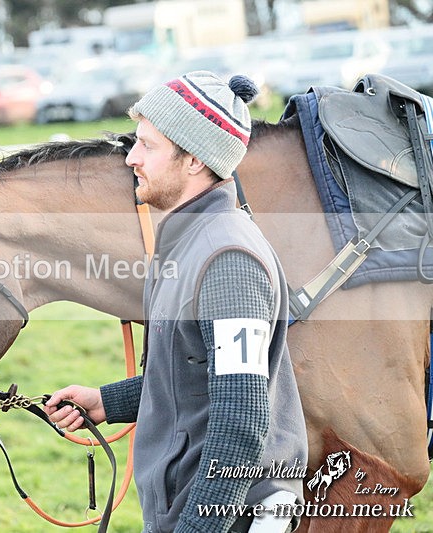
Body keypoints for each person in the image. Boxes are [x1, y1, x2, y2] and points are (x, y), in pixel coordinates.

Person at [44, 71, 308, 533]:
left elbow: (241, 418)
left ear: (194, 160)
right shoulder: (186, 241)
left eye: (148, 145)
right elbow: (191, 375)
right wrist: (105, 401)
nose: (132, 157)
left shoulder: (228, 260)